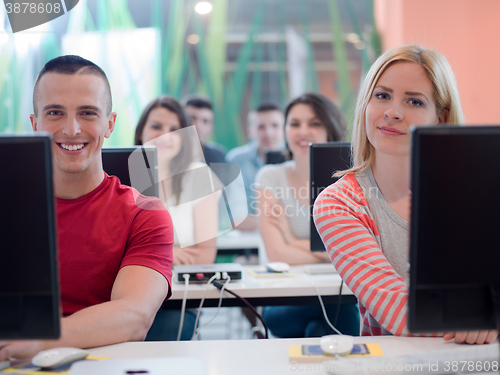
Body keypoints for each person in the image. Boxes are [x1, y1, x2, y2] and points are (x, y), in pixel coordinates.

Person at [313, 44, 498, 344]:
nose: (393, 112)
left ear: (440, 117)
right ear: (365, 104)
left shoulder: (475, 191)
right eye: (382, 95)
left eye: (414, 101)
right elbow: (399, 312)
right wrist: (482, 320)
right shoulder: (339, 204)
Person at [0, 55, 174, 361]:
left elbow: (134, 316)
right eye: (55, 112)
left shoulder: (145, 213)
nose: (71, 128)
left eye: (87, 113)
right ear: (35, 123)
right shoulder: (8, 207)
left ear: (109, 124)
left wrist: (39, 341)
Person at [255, 92, 360, 338]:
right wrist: (331, 254)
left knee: (318, 328)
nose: (303, 131)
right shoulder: (269, 177)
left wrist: (292, 241)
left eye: (314, 123)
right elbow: (277, 254)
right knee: (340, 310)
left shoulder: (350, 179)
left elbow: (354, 252)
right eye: (294, 124)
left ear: (330, 128)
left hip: (336, 292)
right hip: (283, 300)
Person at [134, 95, 219, 340]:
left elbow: (205, 254)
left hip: (178, 297)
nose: (164, 135)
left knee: (170, 328)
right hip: (128, 293)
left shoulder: (201, 177)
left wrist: (152, 254)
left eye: (174, 129)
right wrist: (174, 252)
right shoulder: (119, 175)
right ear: (141, 132)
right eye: (156, 126)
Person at [227, 103, 285, 231]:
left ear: (284, 129)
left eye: (275, 126)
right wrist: (286, 222)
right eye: (261, 127)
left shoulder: (297, 158)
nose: (268, 133)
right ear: (249, 131)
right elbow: (238, 220)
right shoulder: (236, 160)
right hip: (249, 241)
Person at [183, 95, 226, 165]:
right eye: (192, 118)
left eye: (205, 121)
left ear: (211, 128)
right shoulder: (168, 152)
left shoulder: (217, 156)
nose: (198, 125)